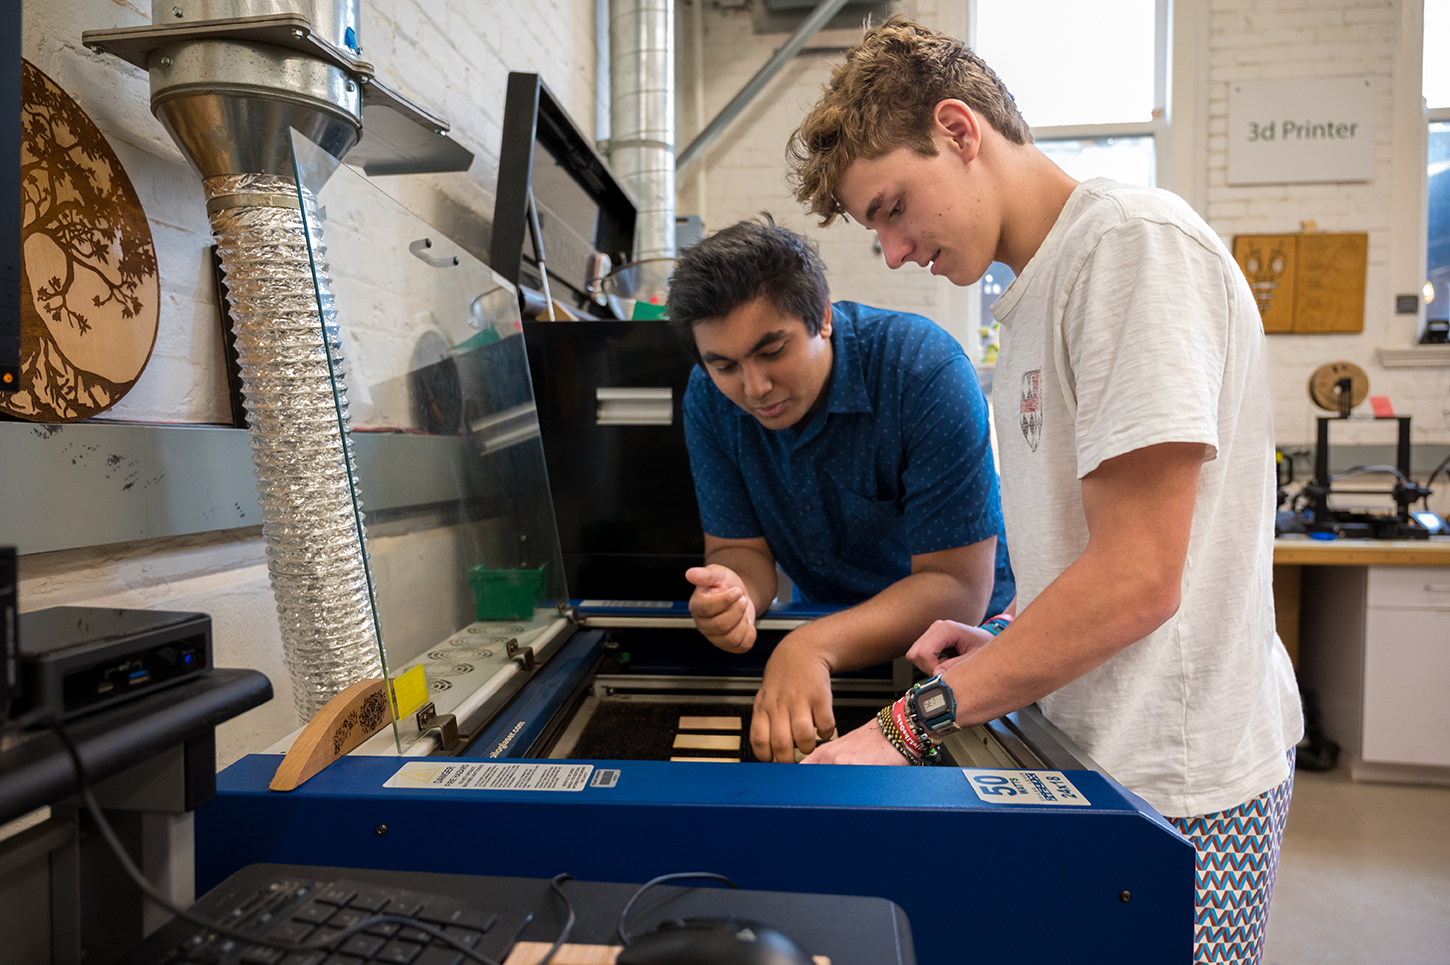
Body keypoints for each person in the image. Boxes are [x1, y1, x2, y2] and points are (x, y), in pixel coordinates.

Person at [786, 16, 1303, 964]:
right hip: (1094, 754)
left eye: (894, 207)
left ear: (959, 129)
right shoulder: (1029, 298)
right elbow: (1092, 556)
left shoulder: (1130, 250)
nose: (894, 252)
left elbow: (1142, 579)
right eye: (875, 232)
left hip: (1182, 784)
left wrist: (909, 723)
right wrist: (1012, 636)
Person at [666, 217, 1015, 764]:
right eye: (725, 365)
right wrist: (736, 594)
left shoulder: (923, 372)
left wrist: (811, 645)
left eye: (772, 350)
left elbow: (955, 586)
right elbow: (740, 551)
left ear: (822, 318)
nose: (754, 388)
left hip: (960, 657)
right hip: (833, 646)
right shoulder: (708, 401)